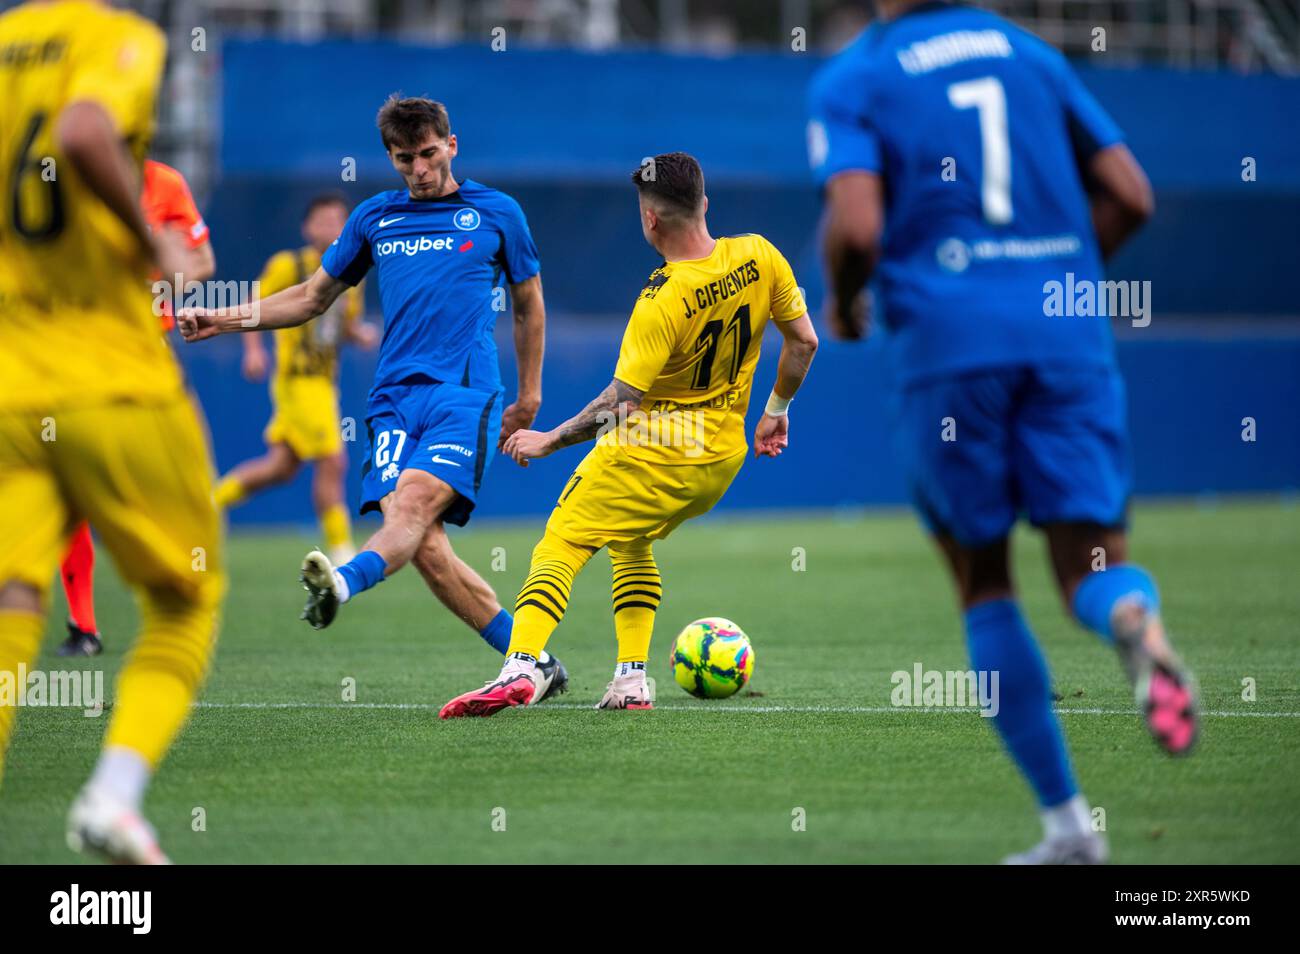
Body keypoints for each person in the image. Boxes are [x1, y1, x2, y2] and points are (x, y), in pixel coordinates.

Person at [810, 0, 1195, 864]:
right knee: (1092, 560)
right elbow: (1132, 195)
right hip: (1067, 338)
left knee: (985, 579)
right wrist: (1050, 279)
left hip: (950, 351)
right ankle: (1135, 620)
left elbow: (860, 227)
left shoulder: (857, 75)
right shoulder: (1032, 53)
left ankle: (1068, 828)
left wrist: (841, 299)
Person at [179, 97, 568, 698]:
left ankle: (338, 584)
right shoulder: (374, 220)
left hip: (462, 395)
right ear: (391, 158)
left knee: (409, 511)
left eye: (430, 154)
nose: (419, 169)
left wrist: (530, 394)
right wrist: (223, 320)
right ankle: (533, 659)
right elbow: (310, 298)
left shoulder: (496, 213)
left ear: (452, 146)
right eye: (405, 158)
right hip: (390, 403)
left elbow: (528, 305)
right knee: (424, 545)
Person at [440, 152, 818, 717]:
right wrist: (776, 409)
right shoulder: (760, 255)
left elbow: (621, 401)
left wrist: (548, 440)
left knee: (563, 539)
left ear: (650, 221)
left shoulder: (662, 297)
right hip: (718, 458)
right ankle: (631, 680)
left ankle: (520, 668)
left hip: (652, 451)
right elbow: (804, 341)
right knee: (630, 539)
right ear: (704, 205)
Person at [0, 0, 225, 863]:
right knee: (184, 599)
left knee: (14, 595)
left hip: (13, 380)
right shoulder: (119, 40)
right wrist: (148, 244)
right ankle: (113, 799)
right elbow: (86, 125)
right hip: (110, 374)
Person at [58, 157, 218, 658]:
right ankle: (83, 625)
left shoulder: (162, 182)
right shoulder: (55, 173)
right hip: (71, 355)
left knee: (161, 479)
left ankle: (183, 600)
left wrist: (152, 284)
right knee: (67, 490)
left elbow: (203, 262)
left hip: (148, 353)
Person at [213, 193, 378, 567]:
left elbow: (340, 322)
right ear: (307, 228)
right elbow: (254, 303)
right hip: (299, 380)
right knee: (333, 461)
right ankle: (340, 550)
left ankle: (212, 504)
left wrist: (359, 334)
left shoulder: (352, 269)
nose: (331, 227)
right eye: (322, 220)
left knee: (282, 467)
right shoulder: (290, 265)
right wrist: (254, 350)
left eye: (338, 219)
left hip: (324, 382)